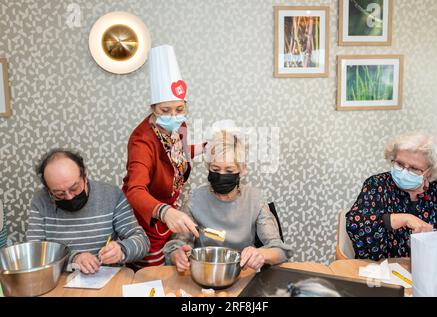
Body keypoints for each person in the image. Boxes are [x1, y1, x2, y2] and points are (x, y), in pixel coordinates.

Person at [163, 121, 292, 272]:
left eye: (230, 170)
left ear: (242, 170)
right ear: (208, 167)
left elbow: (281, 251)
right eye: (215, 169)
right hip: (204, 274)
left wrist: (261, 254)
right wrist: (177, 255)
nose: (222, 176)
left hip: (241, 274)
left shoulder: (255, 200)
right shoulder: (195, 200)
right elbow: (177, 246)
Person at [122, 45, 203, 267]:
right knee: (150, 267)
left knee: (171, 260)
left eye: (179, 109)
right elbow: (135, 190)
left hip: (168, 208)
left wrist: (206, 147)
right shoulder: (142, 140)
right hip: (145, 214)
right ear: (153, 107)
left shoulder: (180, 124)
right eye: (165, 111)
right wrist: (164, 212)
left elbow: (178, 154)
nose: (173, 116)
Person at [26, 149, 150, 274]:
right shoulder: (41, 200)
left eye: (74, 188)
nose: (69, 197)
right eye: (59, 193)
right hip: (61, 282)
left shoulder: (111, 195)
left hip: (107, 281)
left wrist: (122, 250)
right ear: (48, 189)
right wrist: (74, 258)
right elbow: (35, 252)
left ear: (85, 175)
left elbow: (142, 241)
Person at [346, 131, 437, 260]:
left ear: (430, 171)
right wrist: (404, 218)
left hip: (433, 271)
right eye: (399, 164)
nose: (404, 172)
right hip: (382, 271)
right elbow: (356, 224)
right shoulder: (377, 184)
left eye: (414, 168)